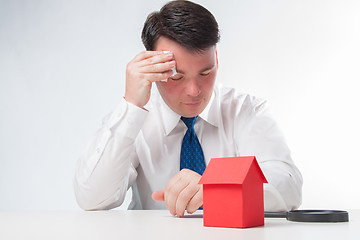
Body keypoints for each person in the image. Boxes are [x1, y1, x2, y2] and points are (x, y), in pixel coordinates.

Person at [74, 0, 303, 217]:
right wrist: (131, 105)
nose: (194, 90)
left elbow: (289, 186)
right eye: (176, 76)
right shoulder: (135, 120)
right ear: (152, 67)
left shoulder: (245, 110)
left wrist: (221, 189)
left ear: (216, 58)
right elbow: (92, 199)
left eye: (205, 73)